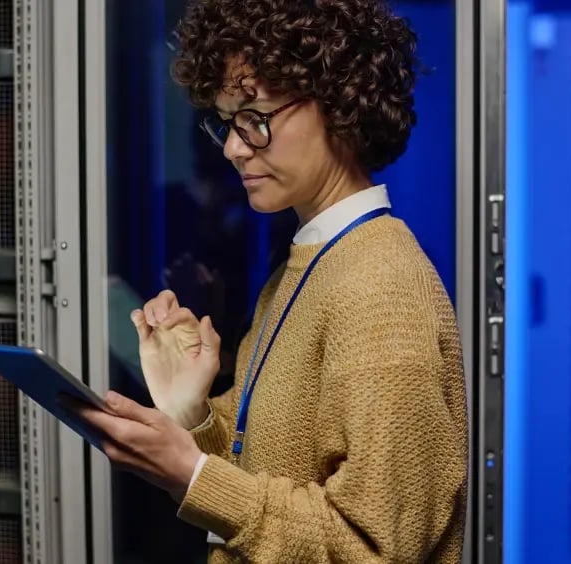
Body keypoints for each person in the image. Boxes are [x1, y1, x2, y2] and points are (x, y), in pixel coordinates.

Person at [71, 0, 468, 561]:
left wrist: (191, 472)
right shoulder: (308, 263)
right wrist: (194, 414)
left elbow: (377, 548)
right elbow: (265, 469)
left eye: (255, 117)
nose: (234, 147)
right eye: (227, 123)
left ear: (339, 106)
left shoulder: (381, 288)